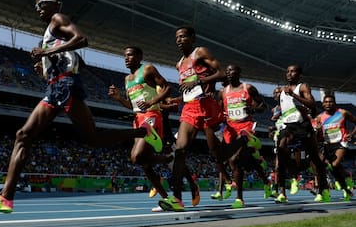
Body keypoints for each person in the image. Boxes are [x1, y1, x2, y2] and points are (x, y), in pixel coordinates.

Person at [0, 0, 159, 213]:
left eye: (42, 4)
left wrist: (47, 51)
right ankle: (5, 198)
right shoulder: (51, 33)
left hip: (66, 85)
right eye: (36, 4)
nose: (38, 8)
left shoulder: (58, 19)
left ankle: (142, 133)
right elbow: (71, 60)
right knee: (23, 135)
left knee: (94, 139)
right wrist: (45, 68)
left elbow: (82, 39)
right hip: (54, 87)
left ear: (54, 5)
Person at [158, 26, 229, 211]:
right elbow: (190, 91)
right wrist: (179, 98)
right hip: (190, 109)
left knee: (218, 154)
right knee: (179, 150)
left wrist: (199, 80)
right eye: (177, 37)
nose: (179, 40)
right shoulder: (179, 63)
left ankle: (238, 154)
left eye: (183, 36)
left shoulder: (201, 52)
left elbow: (222, 74)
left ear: (192, 38)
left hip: (209, 107)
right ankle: (177, 199)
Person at [108, 46, 173, 211]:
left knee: (137, 157)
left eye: (130, 55)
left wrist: (152, 102)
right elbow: (132, 106)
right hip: (137, 118)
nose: (126, 58)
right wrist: (118, 98)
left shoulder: (148, 69)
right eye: (125, 55)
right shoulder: (127, 79)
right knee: (142, 163)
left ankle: (166, 158)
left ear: (139, 56)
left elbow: (167, 88)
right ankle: (167, 199)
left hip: (151, 115)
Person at [211, 64, 271, 208]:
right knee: (230, 159)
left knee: (235, 160)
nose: (230, 73)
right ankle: (265, 180)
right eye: (228, 71)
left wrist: (252, 108)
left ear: (239, 72)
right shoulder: (222, 93)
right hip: (230, 130)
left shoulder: (248, 88)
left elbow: (263, 106)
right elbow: (219, 112)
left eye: (233, 70)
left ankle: (239, 199)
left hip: (246, 128)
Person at [276, 64, 330, 203]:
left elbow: (312, 104)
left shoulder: (303, 87)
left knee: (316, 160)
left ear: (299, 74)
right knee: (281, 150)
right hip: (288, 127)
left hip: (303, 126)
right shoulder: (282, 92)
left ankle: (323, 190)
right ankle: (285, 188)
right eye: (287, 71)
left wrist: (293, 95)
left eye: (293, 71)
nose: (289, 73)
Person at [315, 94, 356, 201]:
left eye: (330, 102)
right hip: (327, 144)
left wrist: (351, 134)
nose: (328, 104)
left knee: (335, 164)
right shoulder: (320, 117)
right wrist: (318, 130)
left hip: (341, 142)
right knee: (333, 169)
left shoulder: (342, 113)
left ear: (334, 103)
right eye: (326, 102)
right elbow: (318, 137)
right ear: (323, 104)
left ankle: (346, 181)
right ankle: (346, 184)